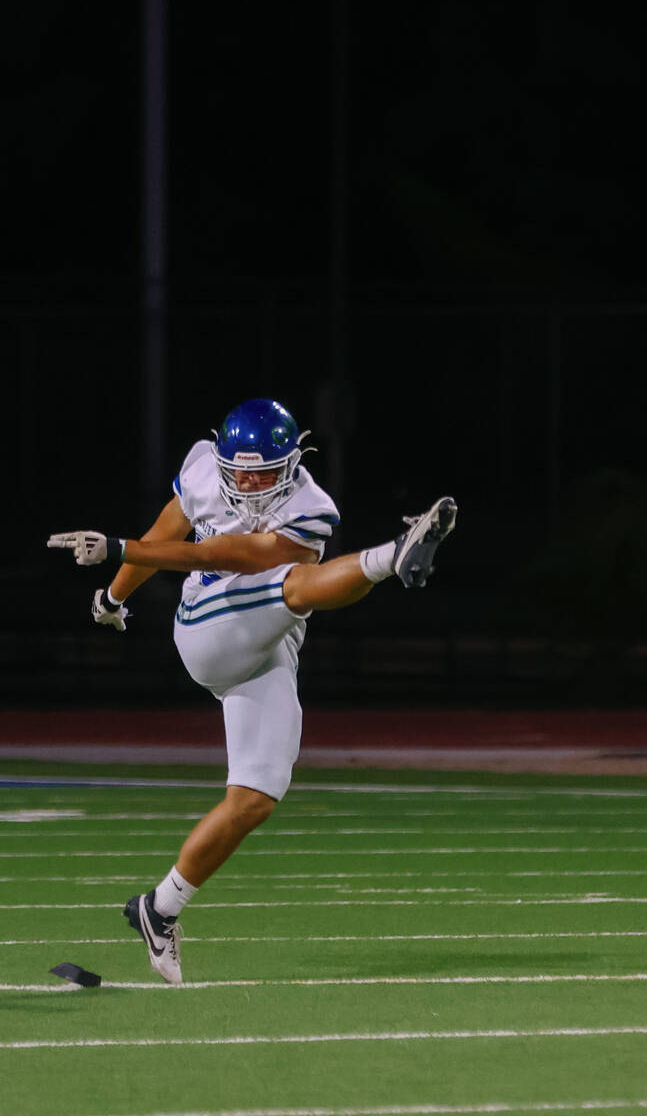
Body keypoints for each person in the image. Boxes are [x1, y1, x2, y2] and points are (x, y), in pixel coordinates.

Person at [47, 396, 456, 984]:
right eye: (239, 471)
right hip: (208, 631)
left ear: (294, 462)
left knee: (257, 795)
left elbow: (231, 551)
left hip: (268, 638)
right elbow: (169, 529)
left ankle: (159, 908)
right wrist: (115, 593)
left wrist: (120, 549)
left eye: (264, 471)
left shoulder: (312, 508)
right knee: (290, 589)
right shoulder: (201, 470)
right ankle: (395, 555)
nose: (250, 482)